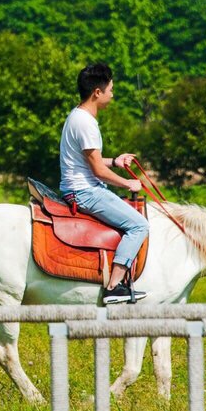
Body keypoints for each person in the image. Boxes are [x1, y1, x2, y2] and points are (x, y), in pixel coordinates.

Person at [59, 63, 149, 304]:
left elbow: (92, 161)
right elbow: (97, 170)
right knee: (139, 225)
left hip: (79, 187)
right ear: (97, 92)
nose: (112, 94)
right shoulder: (86, 123)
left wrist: (116, 161)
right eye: (110, 89)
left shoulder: (77, 115)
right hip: (85, 191)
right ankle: (115, 286)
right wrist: (128, 184)